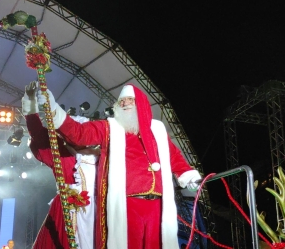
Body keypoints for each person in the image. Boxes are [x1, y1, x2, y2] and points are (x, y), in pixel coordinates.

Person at [38, 84, 202, 249]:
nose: (125, 103)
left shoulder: (158, 130)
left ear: (141, 103)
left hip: (157, 207)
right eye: (121, 101)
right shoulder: (110, 127)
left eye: (130, 99)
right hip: (129, 206)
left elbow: (174, 156)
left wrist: (188, 175)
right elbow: (79, 133)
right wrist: (53, 109)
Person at [22, 81, 99, 249]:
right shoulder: (61, 153)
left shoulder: (102, 156)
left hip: (98, 213)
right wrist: (31, 102)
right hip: (67, 210)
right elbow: (37, 133)